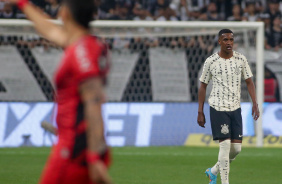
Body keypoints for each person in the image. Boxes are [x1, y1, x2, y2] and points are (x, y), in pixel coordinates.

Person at [7, 0, 113, 183]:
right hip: (78, 147)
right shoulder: (81, 45)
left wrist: (94, 156)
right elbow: (49, 31)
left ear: (66, 14)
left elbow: (94, 102)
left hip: (75, 150)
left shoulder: (81, 52)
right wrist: (22, 3)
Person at [197, 29, 260, 184]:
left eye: (231, 39)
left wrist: (255, 103)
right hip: (218, 107)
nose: (229, 42)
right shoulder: (211, 61)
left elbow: (249, 82)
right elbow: (203, 86)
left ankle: (213, 171)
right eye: (225, 40)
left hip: (235, 107)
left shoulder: (241, 59)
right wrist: (200, 111)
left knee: (236, 149)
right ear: (219, 42)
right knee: (224, 146)